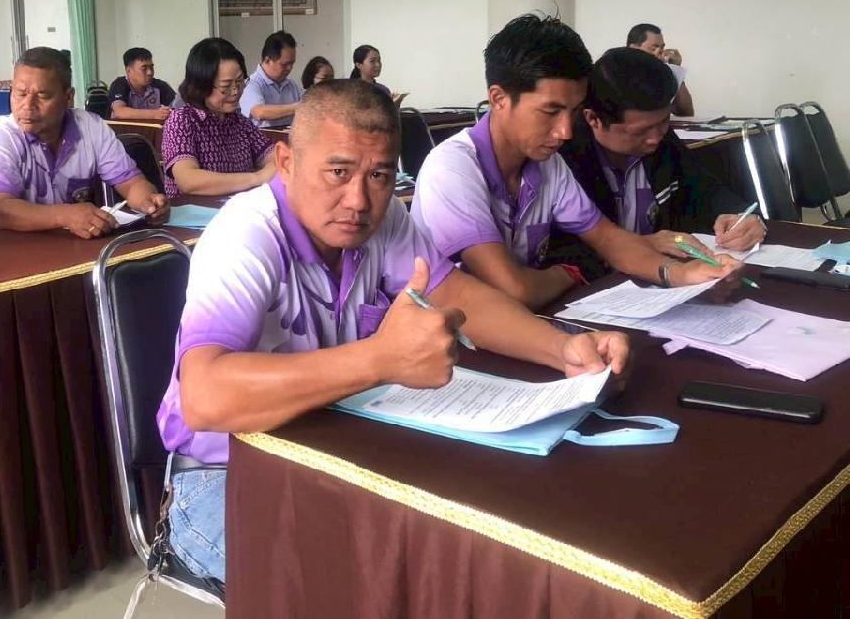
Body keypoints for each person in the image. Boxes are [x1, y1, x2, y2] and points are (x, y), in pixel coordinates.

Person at [157, 80, 631, 585]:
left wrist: (561, 347)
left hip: (330, 451)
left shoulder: (384, 221)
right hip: (223, 476)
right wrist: (379, 360)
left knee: (456, 550)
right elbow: (205, 397)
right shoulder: (245, 235)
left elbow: (457, 297)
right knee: (366, 587)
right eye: (338, 172)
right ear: (287, 163)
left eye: (380, 175)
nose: (359, 200)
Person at [411, 14, 740, 311]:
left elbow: (607, 239)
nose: (566, 131)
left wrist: (682, 274)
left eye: (572, 112)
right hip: (453, 338)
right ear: (499, 99)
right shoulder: (452, 169)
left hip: (518, 323)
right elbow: (515, 290)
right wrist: (571, 271)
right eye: (551, 111)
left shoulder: (547, 164)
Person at [550, 47, 765, 279]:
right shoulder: (565, 159)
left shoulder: (662, 140)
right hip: (601, 287)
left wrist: (741, 216)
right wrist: (641, 244)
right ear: (593, 118)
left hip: (666, 282)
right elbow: (558, 251)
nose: (655, 138)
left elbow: (705, 188)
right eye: (640, 131)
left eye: (664, 121)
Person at [0, 46, 169, 235]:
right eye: (20, 94)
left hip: (71, 245)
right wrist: (64, 215)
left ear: (68, 97)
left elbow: (131, 183)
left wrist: (149, 202)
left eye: (42, 96)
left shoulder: (91, 127)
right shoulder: (2, 135)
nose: (27, 106)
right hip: (7, 247)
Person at [161, 38, 276, 198]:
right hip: (195, 212)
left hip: (236, 209)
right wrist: (256, 178)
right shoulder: (181, 121)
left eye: (240, 81)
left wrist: (272, 167)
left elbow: (275, 158)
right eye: (226, 86)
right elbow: (188, 180)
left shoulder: (239, 122)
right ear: (202, 86)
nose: (235, 91)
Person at [627, 23, 694, 117]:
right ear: (633, 48)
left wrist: (675, 69)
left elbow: (685, 113)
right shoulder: (615, 71)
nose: (660, 53)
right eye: (653, 48)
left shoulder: (660, 73)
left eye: (662, 48)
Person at [239, 31, 303, 128]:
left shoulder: (291, 85)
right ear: (267, 60)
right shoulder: (251, 84)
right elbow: (259, 112)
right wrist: (298, 107)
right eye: (284, 64)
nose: (290, 68)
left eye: (292, 63)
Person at [109, 47, 176, 121]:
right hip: (124, 128)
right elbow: (120, 112)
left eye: (151, 67)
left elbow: (179, 108)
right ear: (129, 71)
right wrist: (155, 114)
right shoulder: (119, 84)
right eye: (144, 68)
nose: (150, 73)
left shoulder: (160, 86)